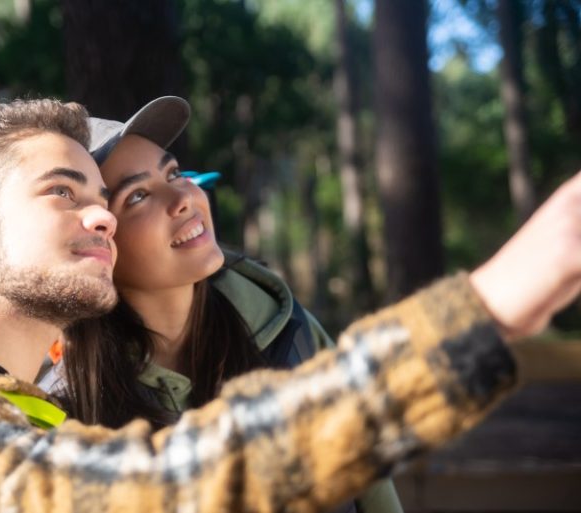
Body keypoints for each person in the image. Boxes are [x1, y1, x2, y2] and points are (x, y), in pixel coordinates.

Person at [0, 98, 579, 512]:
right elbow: (144, 493)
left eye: (105, 197)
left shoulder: (11, 406)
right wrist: (490, 306)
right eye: (65, 193)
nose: (105, 216)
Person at [47, 97, 401, 513]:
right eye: (138, 196)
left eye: (174, 173)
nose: (182, 197)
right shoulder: (65, 407)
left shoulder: (288, 330)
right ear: (102, 239)